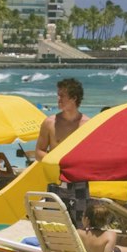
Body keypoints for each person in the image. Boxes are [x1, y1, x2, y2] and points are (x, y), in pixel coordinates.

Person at [35, 77, 90, 218]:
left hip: (79, 181)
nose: (58, 99)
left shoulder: (88, 124)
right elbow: (38, 152)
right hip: (56, 181)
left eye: (62, 96)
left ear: (74, 98)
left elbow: (93, 155)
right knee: (54, 223)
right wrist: (56, 164)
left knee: (80, 224)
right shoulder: (49, 123)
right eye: (58, 95)